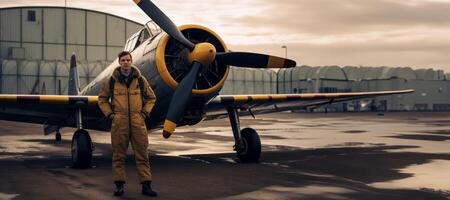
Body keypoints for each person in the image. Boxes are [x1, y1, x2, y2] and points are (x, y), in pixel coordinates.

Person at [98, 51, 157, 197]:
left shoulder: (141, 80)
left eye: (128, 60)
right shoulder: (111, 81)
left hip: (138, 122)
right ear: (119, 62)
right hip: (119, 123)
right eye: (123, 60)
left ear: (132, 61)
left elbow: (151, 98)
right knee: (118, 156)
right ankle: (119, 186)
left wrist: (144, 113)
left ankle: (146, 185)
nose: (125, 62)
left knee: (142, 155)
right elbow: (102, 99)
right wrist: (111, 115)